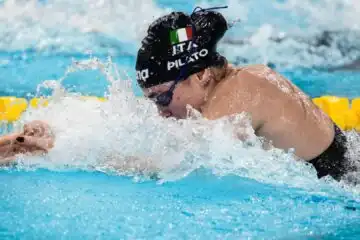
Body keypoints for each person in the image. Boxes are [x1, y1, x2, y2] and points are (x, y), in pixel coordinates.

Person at [0, 9, 357, 181]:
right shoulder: (228, 84)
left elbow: (168, 163)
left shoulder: (240, 96)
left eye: (162, 98)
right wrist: (58, 129)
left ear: (200, 76)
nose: (159, 113)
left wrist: (53, 153)